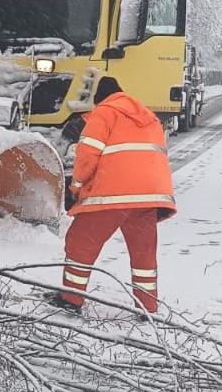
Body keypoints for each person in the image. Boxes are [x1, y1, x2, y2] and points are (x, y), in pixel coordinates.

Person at [46, 76, 176, 313]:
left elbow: (87, 156)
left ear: (100, 99)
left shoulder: (104, 113)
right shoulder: (148, 117)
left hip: (113, 194)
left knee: (80, 243)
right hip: (150, 196)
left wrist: (75, 186)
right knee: (143, 255)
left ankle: (71, 299)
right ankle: (147, 307)